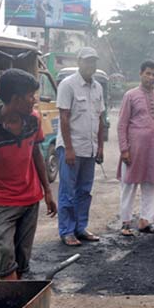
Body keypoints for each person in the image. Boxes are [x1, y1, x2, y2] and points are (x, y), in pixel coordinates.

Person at [0, 69, 57, 281]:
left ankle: (21, 302)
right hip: (2, 205)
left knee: (23, 259)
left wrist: (47, 191)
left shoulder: (33, 120)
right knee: (6, 255)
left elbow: (36, 153)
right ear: (16, 99)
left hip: (30, 200)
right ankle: (12, 304)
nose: (34, 100)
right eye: (30, 96)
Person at [55, 47, 105, 246]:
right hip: (71, 148)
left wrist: (100, 147)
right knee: (68, 191)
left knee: (84, 191)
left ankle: (80, 228)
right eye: (87, 61)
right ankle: (67, 231)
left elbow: (101, 119)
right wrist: (68, 148)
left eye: (93, 61)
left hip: (89, 149)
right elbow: (64, 118)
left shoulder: (98, 88)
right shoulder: (68, 85)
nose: (90, 65)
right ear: (79, 61)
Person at [117, 60, 154, 236]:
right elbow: (122, 124)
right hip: (134, 150)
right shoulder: (130, 96)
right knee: (128, 185)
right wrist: (124, 149)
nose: (151, 78)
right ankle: (125, 223)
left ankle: (146, 220)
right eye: (148, 73)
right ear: (140, 74)